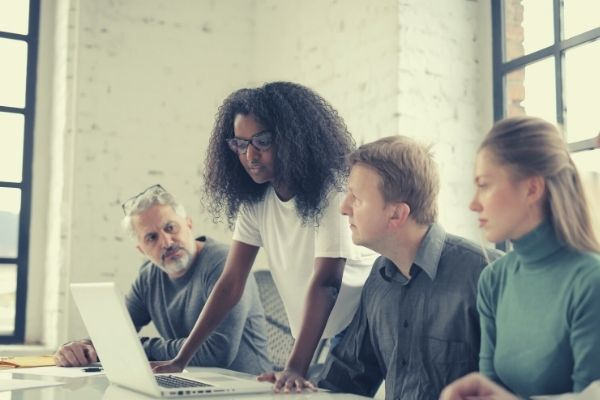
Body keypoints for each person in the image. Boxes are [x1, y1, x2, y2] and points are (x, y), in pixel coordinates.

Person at [152, 82, 375, 392]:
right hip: (320, 330)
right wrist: (181, 359)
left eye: (262, 141)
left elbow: (327, 283)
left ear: (295, 140)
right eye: (240, 144)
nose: (250, 155)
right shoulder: (256, 201)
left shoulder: (331, 191)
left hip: (361, 317)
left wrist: (295, 367)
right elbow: (231, 284)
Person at [316, 136, 501, 399]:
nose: (344, 208)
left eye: (356, 198)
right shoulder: (378, 278)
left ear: (397, 214)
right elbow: (348, 376)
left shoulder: (486, 274)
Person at [54, 185, 272, 375]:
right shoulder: (149, 278)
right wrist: (84, 346)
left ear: (188, 224)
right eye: (152, 237)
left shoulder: (224, 264)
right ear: (141, 249)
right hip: (191, 381)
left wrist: (135, 347)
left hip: (246, 386)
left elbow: (216, 353)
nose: (167, 242)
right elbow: (117, 331)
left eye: (170, 228)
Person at [469, 116, 600, 397]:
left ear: (532, 188)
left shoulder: (591, 282)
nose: (473, 203)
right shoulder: (493, 279)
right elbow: (489, 391)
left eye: (484, 185)